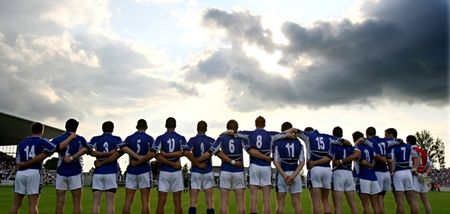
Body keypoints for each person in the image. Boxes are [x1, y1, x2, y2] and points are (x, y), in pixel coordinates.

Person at [10, 122, 57, 214]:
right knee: (33, 205)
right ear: (42, 131)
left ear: (32, 130)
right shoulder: (42, 141)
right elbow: (53, 147)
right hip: (34, 171)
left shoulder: (21, 143)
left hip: (20, 173)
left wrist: (23, 164)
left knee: (15, 205)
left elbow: (18, 161)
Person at [313, 127, 360, 214]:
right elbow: (357, 154)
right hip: (349, 173)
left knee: (338, 204)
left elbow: (329, 158)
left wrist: (340, 161)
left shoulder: (333, 146)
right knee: (353, 203)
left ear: (333, 135)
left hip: (338, 173)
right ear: (342, 134)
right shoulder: (350, 146)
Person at [297, 127, 343, 214]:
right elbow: (343, 141)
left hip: (315, 169)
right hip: (327, 170)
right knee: (325, 200)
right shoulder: (326, 137)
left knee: (316, 202)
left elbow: (296, 131)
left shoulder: (308, 136)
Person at [238, 116, 278, 214]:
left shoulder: (249, 134)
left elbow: (235, 132)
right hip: (266, 167)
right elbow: (285, 134)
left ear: (255, 124)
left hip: (254, 166)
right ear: (265, 124)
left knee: (253, 199)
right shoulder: (271, 134)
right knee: (266, 200)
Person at [209, 119, 248, 214]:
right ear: (237, 128)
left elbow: (213, 151)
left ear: (227, 128)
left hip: (225, 171)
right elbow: (249, 150)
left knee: (223, 202)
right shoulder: (241, 138)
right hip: (238, 171)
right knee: (240, 203)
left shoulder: (222, 137)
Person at [52, 119, 90, 214]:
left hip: (61, 171)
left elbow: (52, 149)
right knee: (77, 203)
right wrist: (73, 157)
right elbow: (87, 149)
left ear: (65, 126)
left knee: (59, 202)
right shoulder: (80, 139)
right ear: (76, 128)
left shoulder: (58, 138)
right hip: (75, 172)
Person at [152, 117, 190, 214]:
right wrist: (174, 162)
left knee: (161, 202)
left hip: (164, 172)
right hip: (176, 172)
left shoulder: (160, 138)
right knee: (177, 202)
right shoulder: (181, 138)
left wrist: (165, 155)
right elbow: (186, 152)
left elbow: (154, 154)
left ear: (165, 126)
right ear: (175, 126)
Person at [120, 119, 155, 214]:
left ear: (136, 127)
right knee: (145, 201)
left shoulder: (129, 138)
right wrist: (141, 160)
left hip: (131, 170)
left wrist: (136, 161)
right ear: (146, 127)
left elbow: (121, 149)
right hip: (145, 170)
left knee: (128, 201)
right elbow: (152, 154)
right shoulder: (150, 139)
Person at [88, 121, 123, 214]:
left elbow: (89, 150)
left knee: (96, 202)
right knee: (110, 203)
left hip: (98, 173)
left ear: (102, 128)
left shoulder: (95, 138)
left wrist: (101, 156)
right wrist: (109, 154)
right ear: (113, 129)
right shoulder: (116, 139)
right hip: (111, 172)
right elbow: (121, 150)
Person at [273, 122, 305, 214]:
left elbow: (275, 161)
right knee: (297, 203)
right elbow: (302, 162)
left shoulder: (277, 142)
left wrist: (284, 175)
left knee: (280, 204)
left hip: (282, 174)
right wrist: (293, 176)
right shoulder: (298, 143)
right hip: (295, 173)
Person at [386, 128, 419, 214]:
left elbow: (391, 162)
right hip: (408, 172)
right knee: (412, 201)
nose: (385, 137)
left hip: (398, 173)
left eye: (386, 135)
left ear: (391, 135)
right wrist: (415, 168)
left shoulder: (391, 147)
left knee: (399, 202)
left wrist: (391, 172)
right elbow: (417, 157)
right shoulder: (408, 146)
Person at [186, 121, 216, 214]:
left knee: (193, 201)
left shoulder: (192, 140)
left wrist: (196, 163)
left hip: (196, 172)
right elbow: (217, 152)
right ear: (206, 129)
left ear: (197, 128)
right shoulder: (211, 140)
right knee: (210, 201)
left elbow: (187, 152)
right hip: (208, 171)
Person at [354, 131, 381, 214]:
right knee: (375, 203)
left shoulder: (357, 147)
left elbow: (359, 159)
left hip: (363, 176)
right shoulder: (370, 148)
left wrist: (368, 164)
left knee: (365, 204)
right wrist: (371, 166)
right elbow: (375, 159)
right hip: (372, 176)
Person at [365, 127, 391, 214]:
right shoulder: (384, 141)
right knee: (381, 199)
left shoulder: (370, 141)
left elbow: (375, 155)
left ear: (367, 133)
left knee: (376, 200)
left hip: (377, 171)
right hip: (386, 172)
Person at [407, 135, 432, 214]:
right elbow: (430, 165)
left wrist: (417, 174)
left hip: (415, 176)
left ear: (408, 142)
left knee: (414, 201)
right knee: (425, 201)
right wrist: (425, 174)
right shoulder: (423, 151)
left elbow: (410, 165)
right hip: (423, 177)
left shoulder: (410, 150)